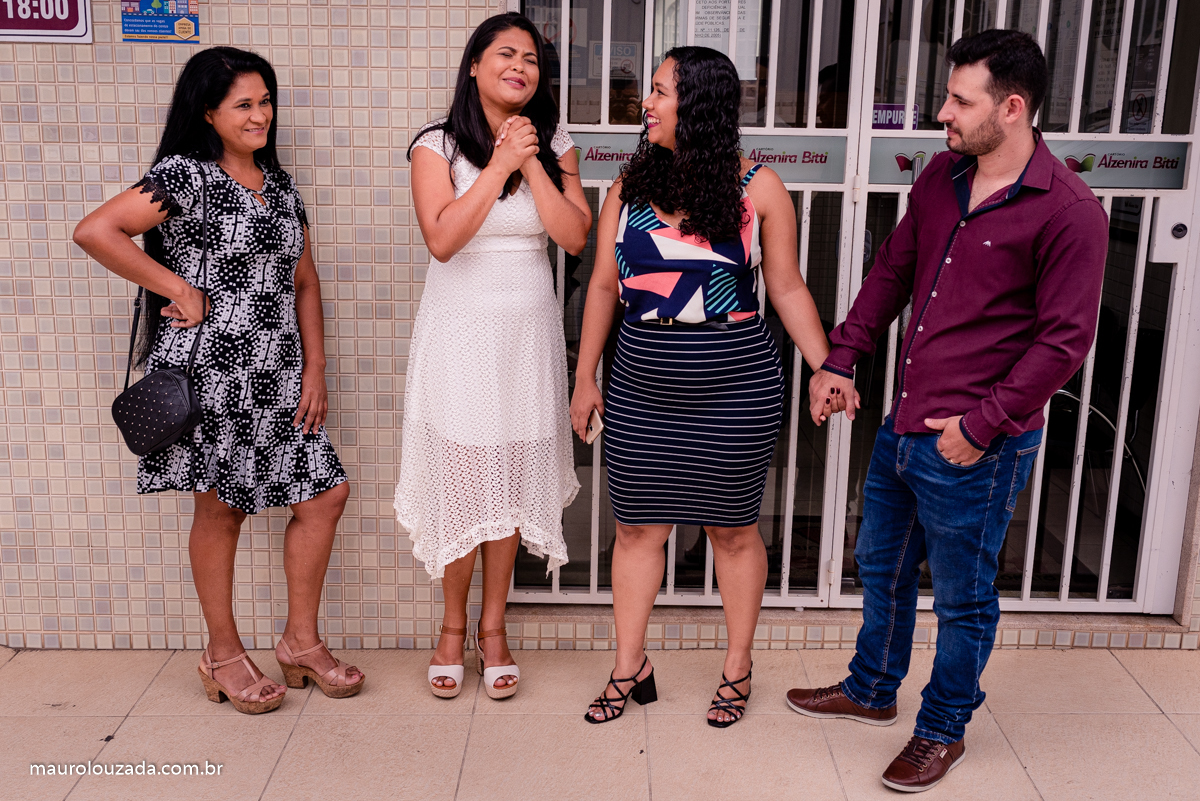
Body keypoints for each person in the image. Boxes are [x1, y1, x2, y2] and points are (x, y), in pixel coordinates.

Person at [785, 30, 1108, 792]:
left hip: (978, 444)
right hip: (904, 421)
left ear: (1014, 107)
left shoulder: (1070, 211)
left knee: (963, 598)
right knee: (882, 566)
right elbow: (892, 272)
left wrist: (981, 425)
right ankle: (870, 688)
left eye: (961, 100)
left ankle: (942, 728)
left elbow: (1064, 344)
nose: (943, 113)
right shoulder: (940, 178)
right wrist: (840, 356)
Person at [73, 47, 362, 714]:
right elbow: (97, 230)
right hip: (212, 373)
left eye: (266, 101)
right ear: (208, 112)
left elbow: (305, 282)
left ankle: (299, 641)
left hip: (280, 374)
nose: (260, 114)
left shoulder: (280, 185)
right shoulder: (185, 177)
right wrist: (178, 286)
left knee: (324, 493)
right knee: (221, 507)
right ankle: (222, 652)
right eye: (244, 104)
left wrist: (315, 369)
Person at [569, 46, 832, 727]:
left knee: (733, 531)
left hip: (735, 387)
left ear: (702, 106)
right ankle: (630, 664)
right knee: (635, 530)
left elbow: (787, 286)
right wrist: (584, 377)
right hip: (640, 387)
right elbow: (601, 287)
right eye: (649, 90)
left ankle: (737, 666)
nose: (645, 103)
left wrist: (827, 364)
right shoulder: (627, 189)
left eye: (660, 91)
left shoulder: (759, 189)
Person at [395, 13, 592, 700]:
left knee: (508, 481)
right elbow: (443, 239)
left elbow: (572, 235)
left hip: (527, 338)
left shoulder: (557, 144)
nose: (521, 66)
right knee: (465, 478)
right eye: (506, 54)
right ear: (474, 65)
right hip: (462, 336)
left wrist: (532, 158)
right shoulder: (435, 145)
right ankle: (451, 630)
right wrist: (499, 164)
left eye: (532, 58)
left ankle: (494, 629)